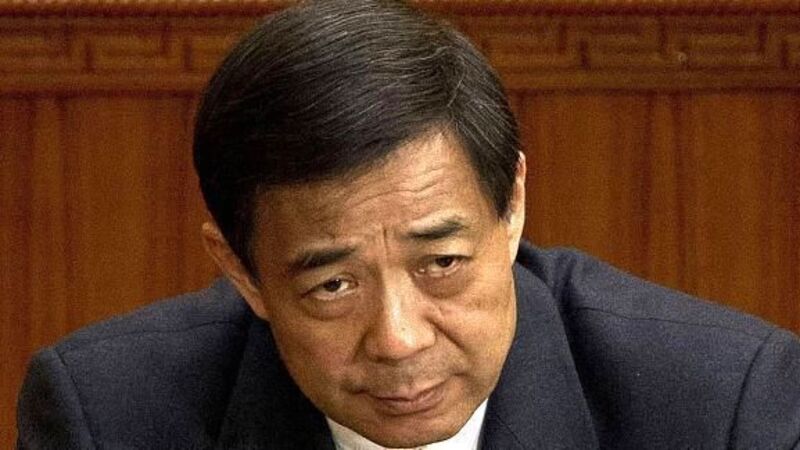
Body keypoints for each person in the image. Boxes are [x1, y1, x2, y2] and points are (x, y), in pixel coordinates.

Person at [17, 0, 800, 448]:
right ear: (242, 272)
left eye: (442, 264)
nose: (398, 339)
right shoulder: (105, 418)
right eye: (333, 284)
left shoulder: (721, 406)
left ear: (512, 207)